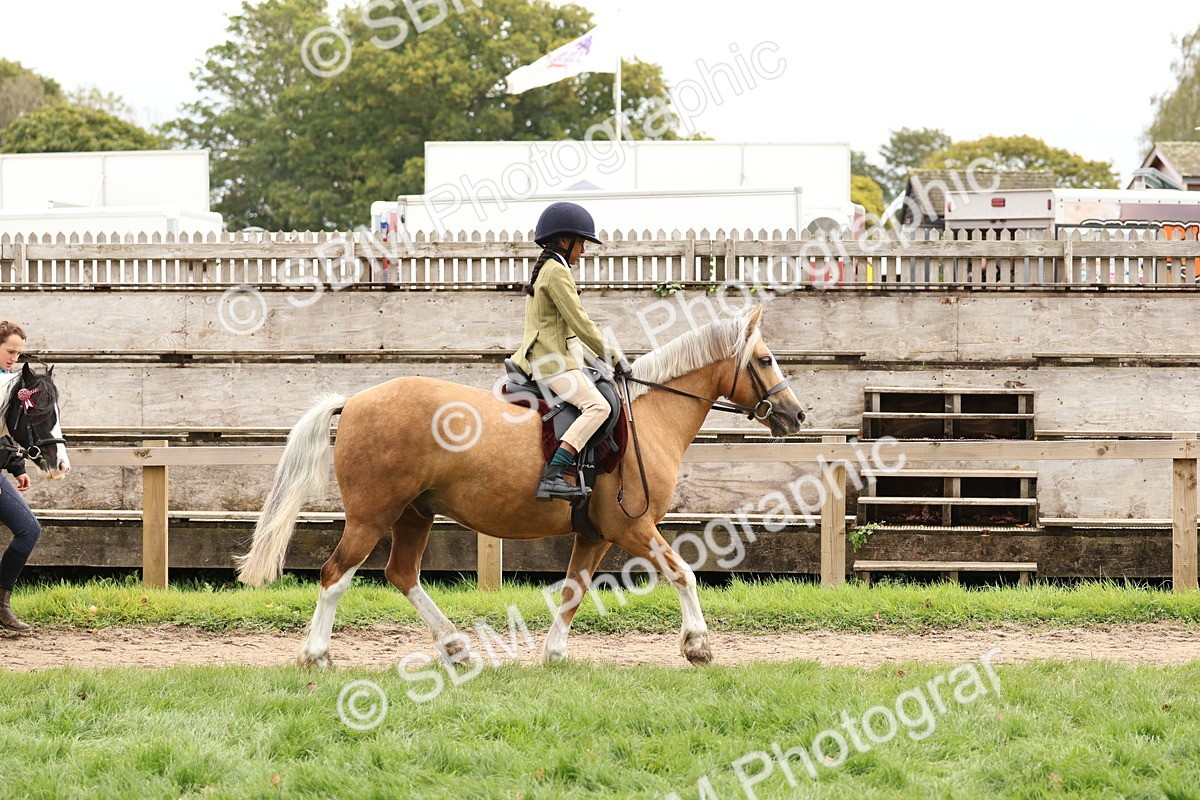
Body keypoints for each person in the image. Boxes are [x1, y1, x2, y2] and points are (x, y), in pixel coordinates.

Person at [512, 202, 632, 502]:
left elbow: (569, 332)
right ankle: (553, 476)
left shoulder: (551, 269)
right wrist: (615, 357)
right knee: (598, 407)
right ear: (564, 242)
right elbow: (581, 323)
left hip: (552, 357)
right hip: (550, 363)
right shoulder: (556, 273)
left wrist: (598, 360)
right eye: (581, 243)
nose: (584, 250)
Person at [0, 320, 40, 632]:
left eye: (18, 353)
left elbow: (5, 431)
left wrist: (17, 466)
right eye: (10, 351)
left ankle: (1, 604)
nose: (14, 358)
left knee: (28, 529)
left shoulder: (10, 382)